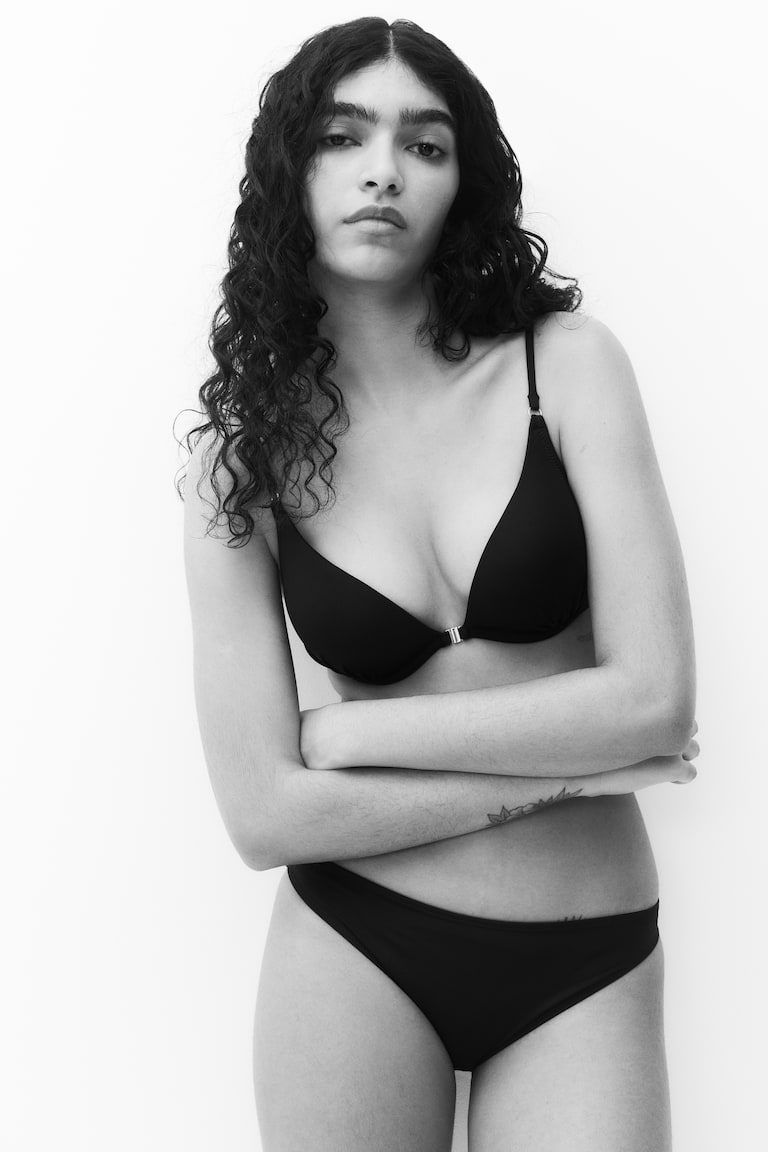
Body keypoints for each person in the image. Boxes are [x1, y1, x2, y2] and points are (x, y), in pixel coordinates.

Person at [180, 16, 698, 1151]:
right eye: (343, 137)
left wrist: (353, 737)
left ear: (463, 185)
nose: (383, 170)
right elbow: (265, 815)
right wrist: (568, 775)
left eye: (425, 144)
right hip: (354, 944)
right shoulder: (244, 460)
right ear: (290, 172)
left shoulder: (567, 367)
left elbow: (655, 702)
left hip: (585, 957)